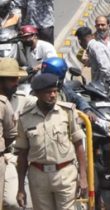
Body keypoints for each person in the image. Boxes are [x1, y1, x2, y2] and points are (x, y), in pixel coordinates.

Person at [16, 73, 88, 210]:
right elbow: (22, 155)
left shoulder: (67, 111)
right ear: (36, 94)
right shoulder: (25, 118)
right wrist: (20, 188)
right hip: (38, 176)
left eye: (55, 91)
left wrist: (83, 177)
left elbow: (79, 144)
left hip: (65, 174)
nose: (53, 95)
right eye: (48, 92)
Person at [0, 59, 17, 209]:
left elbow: (11, 134)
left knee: (11, 202)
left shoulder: (4, 103)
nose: (16, 82)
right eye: (12, 79)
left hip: (7, 156)